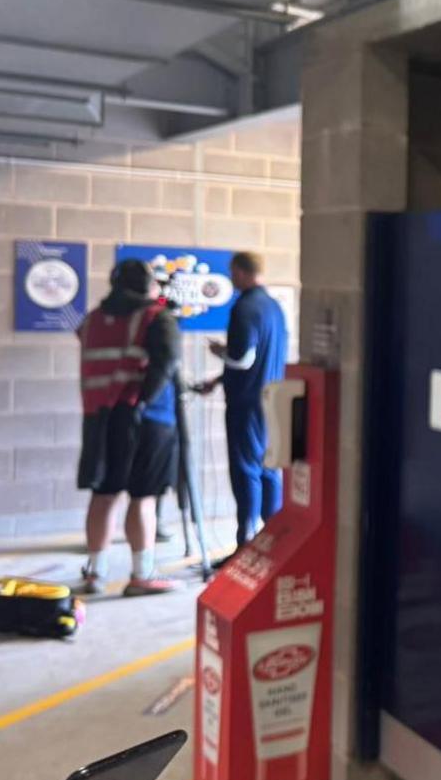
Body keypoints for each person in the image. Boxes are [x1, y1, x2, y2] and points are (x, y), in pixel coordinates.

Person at [75, 260, 180, 595]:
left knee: (103, 494)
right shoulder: (155, 317)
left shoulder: (92, 320)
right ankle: (141, 574)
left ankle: (95, 572)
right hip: (146, 420)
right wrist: (144, 400)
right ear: (149, 284)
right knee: (143, 497)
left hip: (101, 417)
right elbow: (168, 362)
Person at [196, 251, 289, 553]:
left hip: (247, 403)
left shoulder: (244, 307)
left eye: (233, 272)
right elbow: (259, 357)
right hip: (272, 398)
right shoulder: (274, 307)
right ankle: (275, 539)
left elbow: (243, 358)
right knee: (268, 468)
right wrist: (219, 378)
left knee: (246, 469)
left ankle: (245, 544)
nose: (232, 278)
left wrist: (221, 353)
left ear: (241, 272)